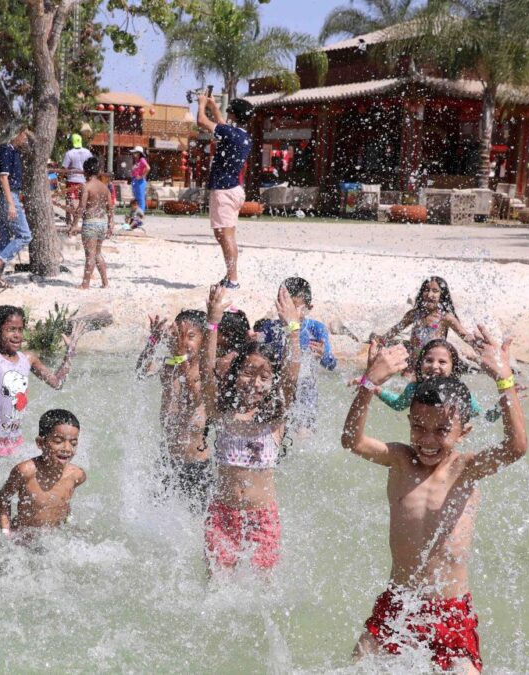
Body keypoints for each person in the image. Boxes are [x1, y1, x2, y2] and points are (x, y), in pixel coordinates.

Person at [343, 327, 526, 674]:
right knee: (357, 666)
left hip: (450, 608)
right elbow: (351, 440)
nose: (427, 440)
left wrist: (504, 379)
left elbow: (516, 448)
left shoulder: (466, 469)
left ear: (464, 432)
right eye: (418, 427)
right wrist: (369, 383)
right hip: (399, 602)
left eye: (442, 431)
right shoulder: (399, 459)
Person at [200, 284, 302, 574]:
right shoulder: (222, 413)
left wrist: (293, 329)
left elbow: (293, 374)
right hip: (222, 514)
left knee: (263, 590)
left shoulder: (275, 418)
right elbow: (207, 369)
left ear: (272, 381)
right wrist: (212, 321)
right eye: (247, 373)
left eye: (264, 376)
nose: (255, 382)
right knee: (216, 587)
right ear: (235, 374)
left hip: (262, 517)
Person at [0, 277, 79, 458]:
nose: (17, 335)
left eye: (20, 329)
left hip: (14, 440)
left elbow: (57, 383)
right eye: (11, 329)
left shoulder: (28, 359)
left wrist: (70, 353)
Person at [135, 310, 210, 511]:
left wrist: (180, 360)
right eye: (177, 336)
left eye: (191, 336)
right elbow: (141, 372)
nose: (183, 342)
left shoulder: (205, 370)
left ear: (204, 340)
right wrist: (152, 341)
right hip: (167, 460)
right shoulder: (168, 366)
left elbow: (195, 398)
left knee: (196, 521)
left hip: (197, 464)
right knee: (153, 514)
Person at [258, 277, 338, 435]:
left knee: (303, 432)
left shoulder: (316, 329)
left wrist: (324, 356)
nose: (289, 313)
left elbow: (331, 365)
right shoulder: (270, 328)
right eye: (285, 306)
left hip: (305, 389)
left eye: (295, 308)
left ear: (309, 308)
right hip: (278, 386)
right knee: (275, 428)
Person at [0, 409, 87, 543]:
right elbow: (4, 496)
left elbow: (63, 501)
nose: (67, 448)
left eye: (73, 443)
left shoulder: (77, 475)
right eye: (58, 441)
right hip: (24, 535)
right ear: (40, 443)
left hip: (54, 537)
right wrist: (6, 531)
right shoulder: (26, 471)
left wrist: (68, 522)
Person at [196, 95, 254, 290]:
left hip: (224, 191)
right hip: (234, 190)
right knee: (225, 235)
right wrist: (214, 106)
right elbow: (222, 125)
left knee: (225, 236)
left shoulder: (232, 134)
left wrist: (202, 104)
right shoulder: (242, 135)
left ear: (234, 114)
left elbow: (201, 121)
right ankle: (231, 276)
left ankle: (233, 279)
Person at [373, 338, 502, 422]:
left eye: (442, 362)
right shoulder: (415, 388)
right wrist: (374, 388)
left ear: (453, 368)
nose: (434, 366)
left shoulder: (458, 392)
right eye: (429, 360)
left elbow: (484, 419)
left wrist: (502, 405)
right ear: (420, 364)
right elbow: (398, 405)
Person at [378, 276, 475, 358]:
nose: (429, 294)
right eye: (426, 290)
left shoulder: (445, 317)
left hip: (433, 360)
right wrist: (380, 340)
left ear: (442, 295)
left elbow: (464, 335)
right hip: (413, 360)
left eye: (435, 291)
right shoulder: (414, 314)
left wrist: (478, 345)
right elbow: (396, 329)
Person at [0, 129, 33, 288]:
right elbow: (3, 177)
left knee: (5, 238)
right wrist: (11, 203)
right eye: (24, 134)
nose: (26, 138)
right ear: (16, 134)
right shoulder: (6, 149)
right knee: (25, 235)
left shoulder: (10, 150)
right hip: (5, 197)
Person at [68, 156, 114, 289]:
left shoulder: (87, 187)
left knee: (90, 255)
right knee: (98, 253)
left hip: (91, 224)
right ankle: (105, 282)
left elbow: (81, 207)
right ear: (99, 171)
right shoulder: (104, 188)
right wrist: (111, 223)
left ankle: (85, 284)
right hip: (102, 223)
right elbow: (110, 208)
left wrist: (74, 224)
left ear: (85, 171)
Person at [61, 133, 93, 232]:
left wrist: (60, 177)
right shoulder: (87, 152)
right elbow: (92, 164)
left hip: (72, 180)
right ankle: (81, 221)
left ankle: (70, 222)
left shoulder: (69, 153)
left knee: (71, 202)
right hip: (84, 181)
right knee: (83, 202)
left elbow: (64, 168)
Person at [129, 146, 150, 227]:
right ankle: (136, 217)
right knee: (137, 199)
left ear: (139, 153)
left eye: (135, 152)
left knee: (141, 200)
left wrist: (142, 176)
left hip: (140, 181)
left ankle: (140, 218)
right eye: (134, 152)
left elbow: (148, 168)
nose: (134, 154)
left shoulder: (142, 160)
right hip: (135, 180)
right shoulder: (137, 161)